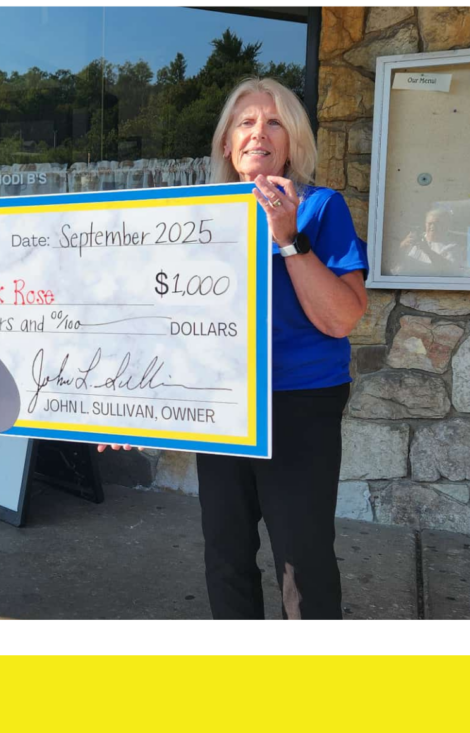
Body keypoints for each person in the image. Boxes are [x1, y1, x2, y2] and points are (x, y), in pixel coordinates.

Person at [101, 76, 368, 620]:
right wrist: (121, 410)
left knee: (302, 558)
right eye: (245, 122)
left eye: (275, 123)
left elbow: (342, 319)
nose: (258, 133)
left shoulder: (320, 207)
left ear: (292, 141)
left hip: (299, 402)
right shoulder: (194, 220)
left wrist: (288, 236)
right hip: (222, 404)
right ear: (226, 142)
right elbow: (159, 319)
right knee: (224, 552)